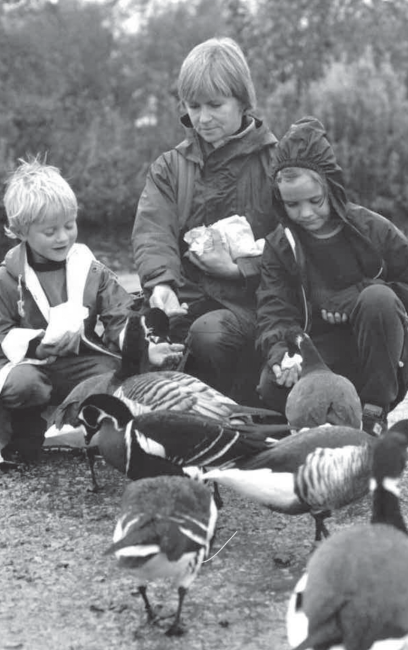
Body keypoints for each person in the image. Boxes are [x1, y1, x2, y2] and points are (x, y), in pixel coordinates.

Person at [0, 157, 182, 467]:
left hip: (77, 363)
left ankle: (79, 420)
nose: (63, 237)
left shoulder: (91, 270)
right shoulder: (7, 278)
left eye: (69, 226)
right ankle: (26, 427)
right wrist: (37, 346)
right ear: (21, 232)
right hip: (27, 365)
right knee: (25, 385)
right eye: (50, 231)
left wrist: (144, 346)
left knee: (117, 373)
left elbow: (119, 315)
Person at [255, 117, 408, 436]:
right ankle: (324, 422)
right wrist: (279, 353)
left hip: (381, 356)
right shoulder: (280, 246)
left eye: (315, 201)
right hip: (319, 357)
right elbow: (274, 314)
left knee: (377, 298)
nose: (305, 213)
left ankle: (373, 414)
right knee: (270, 385)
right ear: (279, 200)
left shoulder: (373, 230)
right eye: (292, 204)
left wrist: (359, 294)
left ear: (332, 188)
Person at [131, 37, 278, 405]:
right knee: (130, 333)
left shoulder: (277, 164)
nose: (203, 118)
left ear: (243, 101)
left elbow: (296, 245)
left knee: (209, 334)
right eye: (194, 106)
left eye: (215, 105)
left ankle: (238, 409)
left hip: (257, 306)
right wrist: (161, 285)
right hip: (186, 303)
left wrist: (240, 269)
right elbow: (153, 234)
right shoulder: (168, 168)